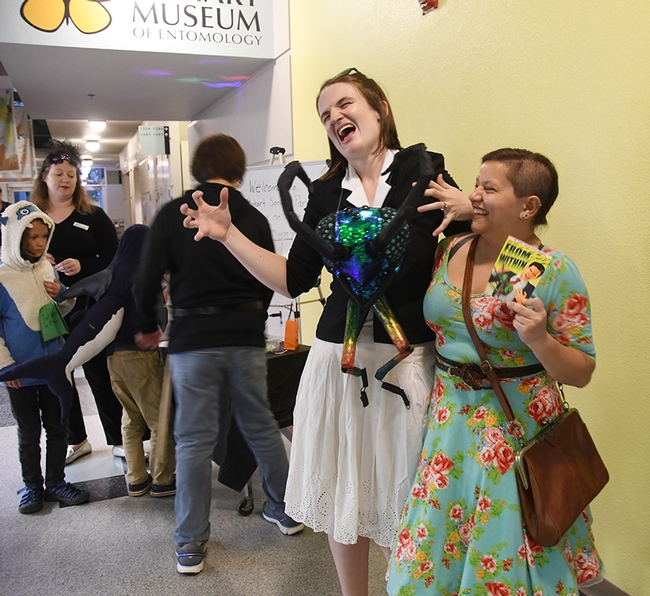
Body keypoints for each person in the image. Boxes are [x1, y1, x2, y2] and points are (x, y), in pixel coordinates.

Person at [180, 69, 473, 595]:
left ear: (379, 108)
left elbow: (471, 244)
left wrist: (473, 210)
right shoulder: (321, 194)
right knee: (346, 496)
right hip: (337, 359)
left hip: (407, 365)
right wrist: (226, 236)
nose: (334, 116)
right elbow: (293, 281)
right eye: (324, 114)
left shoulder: (424, 170)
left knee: (405, 498)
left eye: (344, 104)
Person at [386, 149, 604, 594]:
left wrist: (540, 339)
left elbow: (581, 372)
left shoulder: (551, 269)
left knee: (505, 550)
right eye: (476, 184)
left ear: (529, 206)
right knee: (439, 545)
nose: (475, 195)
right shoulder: (452, 246)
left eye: (490, 187)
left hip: (514, 429)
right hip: (449, 425)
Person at [135, 133, 304, 576]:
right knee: (261, 425)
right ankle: (284, 509)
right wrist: (250, 321)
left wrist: (146, 325)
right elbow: (269, 277)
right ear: (239, 169)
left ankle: (190, 544)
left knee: (192, 440)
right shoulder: (250, 213)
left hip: (192, 338)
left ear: (196, 166)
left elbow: (146, 276)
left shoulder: (175, 212)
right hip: (246, 338)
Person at [31, 141, 123, 463]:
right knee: (59, 374)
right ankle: (76, 440)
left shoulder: (93, 216)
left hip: (88, 308)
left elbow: (115, 258)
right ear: (45, 177)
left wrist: (83, 265)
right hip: (46, 311)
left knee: (99, 374)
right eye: (58, 173)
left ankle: (118, 440)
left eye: (71, 174)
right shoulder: (32, 220)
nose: (65, 180)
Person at [0, 201, 90, 513]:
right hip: (21, 371)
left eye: (43, 236)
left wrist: (62, 297)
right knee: (28, 432)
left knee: (58, 427)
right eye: (31, 237)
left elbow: (63, 309)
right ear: (15, 237)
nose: (39, 243)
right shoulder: (2, 276)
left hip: (55, 366)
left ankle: (55, 482)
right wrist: (5, 366)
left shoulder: (46, 268)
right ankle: (31, 486)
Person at [104, 224, 176, 498]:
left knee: (131, 418)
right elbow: (157, 318)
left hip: (114, 358)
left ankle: (135, 478)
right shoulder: (141, 276)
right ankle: (162, 478)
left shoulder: (113, 274)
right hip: (140, 358)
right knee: (159, 420)